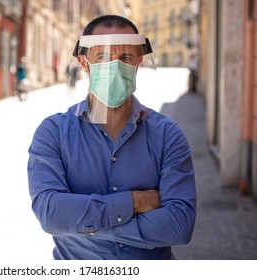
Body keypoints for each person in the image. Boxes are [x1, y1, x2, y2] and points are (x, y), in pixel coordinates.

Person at [27, 15, 196, 260]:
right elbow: (51, 214)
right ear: (84, 63)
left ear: (138, 62)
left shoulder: (168, 135)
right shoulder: (52, 133)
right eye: (103, 57)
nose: (115, 66)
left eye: (126, 57)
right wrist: (134, 202)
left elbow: (179, 226)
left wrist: (83, 225)